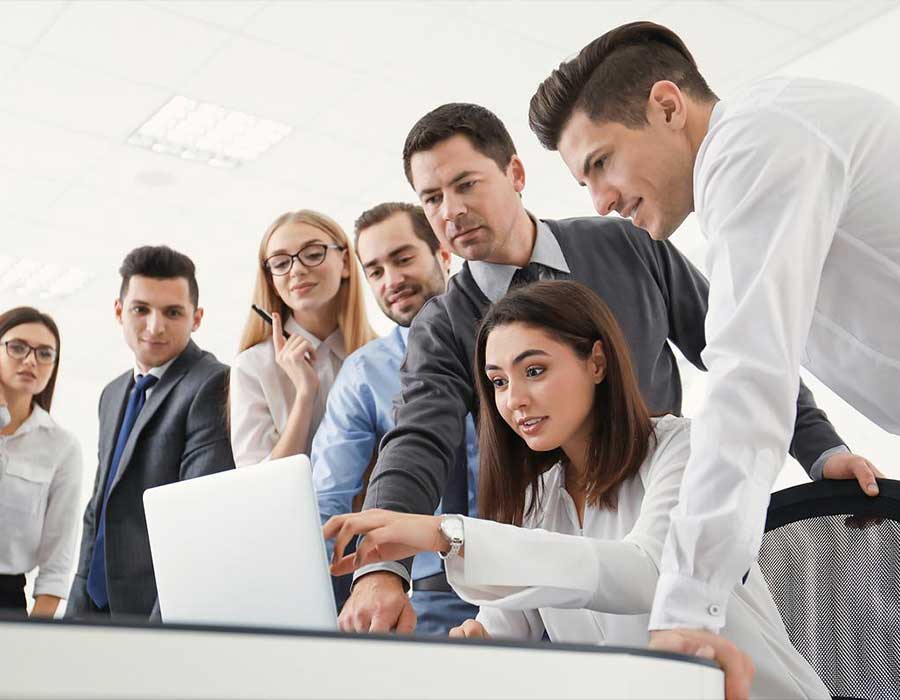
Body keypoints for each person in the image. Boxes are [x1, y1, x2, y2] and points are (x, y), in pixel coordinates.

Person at [341, 102, 859, 640]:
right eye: (432, 198)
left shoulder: (629, 246)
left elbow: (738, 349)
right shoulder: (445, 325)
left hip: (666, 515)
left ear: (515, 174)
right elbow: (417, 439)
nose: (450, 211)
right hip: (550, 541)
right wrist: (381, 566)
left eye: (466, 184)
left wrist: (822, 449)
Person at [527, 20, 898, 696]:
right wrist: (818, 449)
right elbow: (768, 353)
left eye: (601, 162)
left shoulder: (755, 143)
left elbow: (746, 379)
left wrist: (686, 611)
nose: (600, 201)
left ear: (667, 106)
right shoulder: (771, 145)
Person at [324, 281, 830, 700]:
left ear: (596, 363)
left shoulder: (683, 447)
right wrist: (476, 645)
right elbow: (505, 623)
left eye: (535, 371)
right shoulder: (539, 496)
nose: (514, 400)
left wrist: (445, 533)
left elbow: (649, 573)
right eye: (498, 382)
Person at [311, 202, 478, 632]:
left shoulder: (507, 340)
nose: (393, 280)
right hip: (425, 593)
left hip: (528, 577)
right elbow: (328, 496)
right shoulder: (364, 373)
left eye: (403, 259)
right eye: (376, 271)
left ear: (443, 252)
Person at [66, 246, 235, 619]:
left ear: (197, 318)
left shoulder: (213, 383)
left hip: (154, 609)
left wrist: (160, 628)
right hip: (93, 604)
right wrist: (76, 608)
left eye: (173, 312)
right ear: (118, 311)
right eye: (140, 309)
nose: (155, 326)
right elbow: (99, 508)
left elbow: (198, 520)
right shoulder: (112, 394)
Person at [230, 209, 375, 467]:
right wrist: (305, 394)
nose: (296, 270)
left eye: (313, 254)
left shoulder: (379, 354)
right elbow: (260, 485)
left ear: (344, 262)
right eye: (280, 263)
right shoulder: (253, 366)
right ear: (271, 280)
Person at [0, 307, 81, 618]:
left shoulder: (61, 447)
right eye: (18, 347)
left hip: (7, 603)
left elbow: (57, 561)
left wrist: (33, 637)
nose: (31, 360)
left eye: (45, 353)